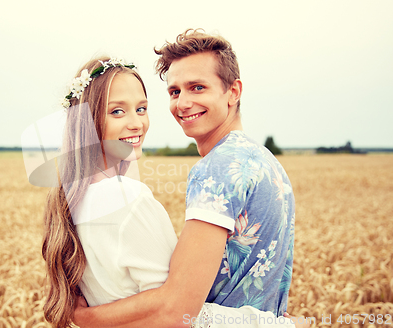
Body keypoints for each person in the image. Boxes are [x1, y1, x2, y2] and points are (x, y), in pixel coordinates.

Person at [39, 56, 305, 328]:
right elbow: (177, 314)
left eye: (141, 109)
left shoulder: (72, 199)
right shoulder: (267, 162)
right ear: (86, 121)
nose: (136, 123)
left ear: (233, 92)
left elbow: (172, 308)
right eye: (117, 111)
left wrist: (87, 318)